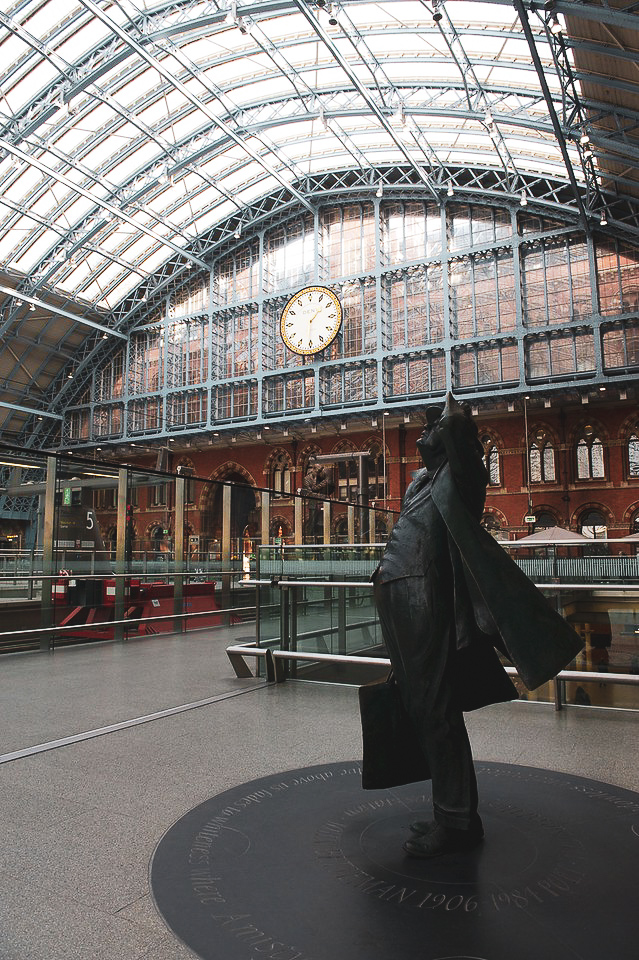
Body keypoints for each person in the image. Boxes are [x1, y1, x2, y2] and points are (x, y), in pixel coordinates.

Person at [372, 393, 583, 859]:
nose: (425, 432)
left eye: (433, 427)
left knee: (436, 710)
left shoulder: (463, 477)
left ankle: (456, 822)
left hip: (427, 599)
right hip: (402, 600)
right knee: (422, 709)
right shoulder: (421, 481)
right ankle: (454, 812)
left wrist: (453, 414)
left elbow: (459, 436)